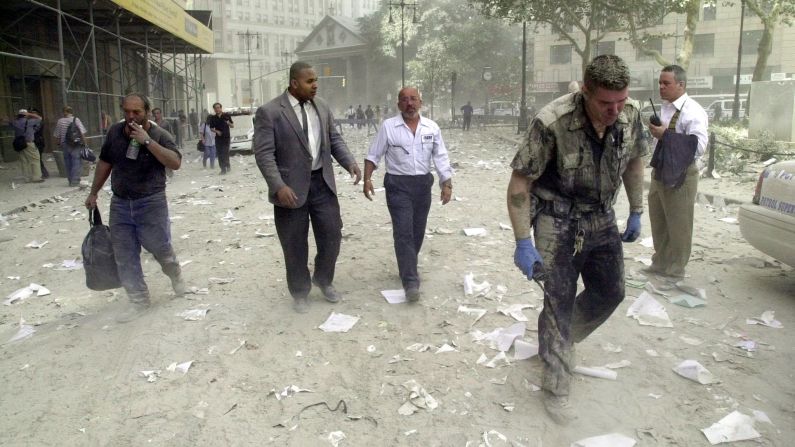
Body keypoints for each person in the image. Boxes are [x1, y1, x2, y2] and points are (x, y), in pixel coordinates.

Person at [506, 55, 647, 424]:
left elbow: (634, 161)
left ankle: (561, 342)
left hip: (601, 215)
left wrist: (636, 209)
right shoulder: (552, 121)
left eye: (620, 101)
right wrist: (524, 241)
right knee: (558, 302)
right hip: (557, 220)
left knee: (612, 291)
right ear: (585, 92)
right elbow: (520, 183)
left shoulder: (630, 115)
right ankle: (556, 385)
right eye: (605, 103)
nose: (614, 110)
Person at [253, 61, 362, 313]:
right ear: (294, 83)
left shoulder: (321, 107)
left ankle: (323, 279)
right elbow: (264, 154)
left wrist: (350, 163)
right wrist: (278, 185)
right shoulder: (269, 112)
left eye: (316, 81)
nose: (315, 85)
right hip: (289, 190)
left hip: (322, 183)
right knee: (294, 244)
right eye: (310, 81)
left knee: (332, 235)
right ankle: (300, 291)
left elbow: (334, 139)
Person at [84, 93, 186, 323]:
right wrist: (93, 192)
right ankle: (138, 300)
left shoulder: (160, 134)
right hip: (120, 204)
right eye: (127, 111)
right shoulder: (114, 133)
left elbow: (175, 162)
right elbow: (105, 163)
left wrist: (147, 141)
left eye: (136, 112)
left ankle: (175, 275)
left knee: (160, 249)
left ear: (147, 112)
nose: (131, 117)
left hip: (151, 203)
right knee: (125, 255)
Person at [363, 87, 453, 301]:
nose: (409, 104)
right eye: (405, 100)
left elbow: (441, 156)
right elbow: (373, 155)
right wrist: (367, 179)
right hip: (397, 185)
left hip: (423, 185)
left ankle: (407, 265)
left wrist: (446, 183)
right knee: (403, 231)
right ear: (398, 105)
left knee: (417, 231)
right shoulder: (388, 127)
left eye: (413, 99)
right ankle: (411, 282)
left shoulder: (432, 127)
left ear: (421, 102)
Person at [646, 65, 709, 278]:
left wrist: (666, 136)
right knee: (658, 218)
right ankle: (660, 262)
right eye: (660, 83)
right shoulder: (666, 107)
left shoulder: (693, 111)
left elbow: (698, 146)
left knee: (679, 222)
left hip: (682, 173)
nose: (661, 87)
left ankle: (676, 268)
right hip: (660, 169)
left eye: (667, 83)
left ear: (681, 85)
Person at [54, 106, 87, 186]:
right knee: (76, 161)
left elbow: (57, 135)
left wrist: (58, 143)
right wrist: (85, 143)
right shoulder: (76, 120)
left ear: (64, 112)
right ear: (71, 112)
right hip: (75, 144)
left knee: (68, 162)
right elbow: (82, 132)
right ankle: (75, 181)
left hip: (65, 144)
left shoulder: (60, 121)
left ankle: (70, 180)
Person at [12, 109, 44, 183]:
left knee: (24, 161)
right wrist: (29, 114)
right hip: (29, 143)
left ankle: (26, 178)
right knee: (35, 159)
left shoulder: (15, 122)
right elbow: (39, 118)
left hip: (19, 144)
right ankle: (36, 177)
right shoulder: (29, 122)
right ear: (25, 115)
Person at [208, 103, 234, 174]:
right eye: (215, 108)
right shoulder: (213, 118)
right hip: (218, 138)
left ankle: (227, 165)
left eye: (218, 107)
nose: (217, 109)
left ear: (221, 108)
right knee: (219, 153)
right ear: (214, 109)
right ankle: (223, 169)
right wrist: (216, 131)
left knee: (225, 153)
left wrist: (228, 123)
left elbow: (232, 126)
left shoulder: (226, 115)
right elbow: (211, 128)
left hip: (226, 138)